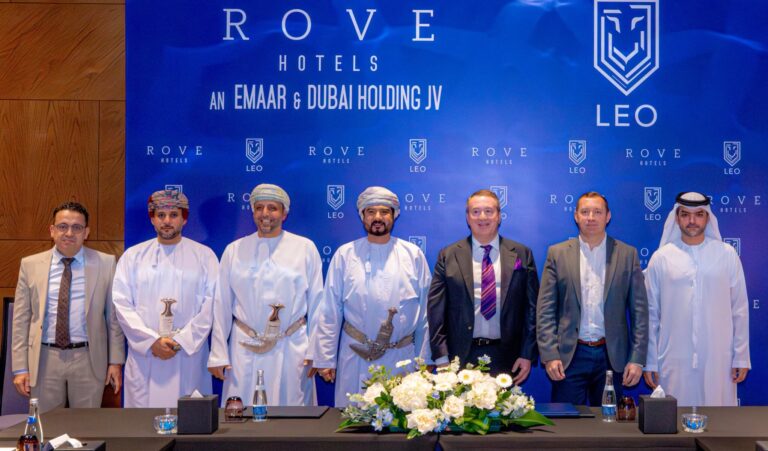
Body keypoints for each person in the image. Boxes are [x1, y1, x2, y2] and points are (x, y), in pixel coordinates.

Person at [311, 186, 432, 407]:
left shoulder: (413, 255)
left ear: (394, 215)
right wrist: (325, 358)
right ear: (362, 216)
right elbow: (330, 310)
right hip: (356, 356)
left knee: (401, 419)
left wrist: (424, 359)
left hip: (401, 358)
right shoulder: (345, 254)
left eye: (384, 212)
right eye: (371, 212)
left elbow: (426, 312)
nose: (378, 217)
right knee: (355, 419)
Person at [208, 184, 323, 406]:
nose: (265, 214)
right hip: (245, 347)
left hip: (292, 347)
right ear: (253, 212)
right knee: (243, 412)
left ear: (284, 213)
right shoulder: (234, 250)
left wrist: (316, 352)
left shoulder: (305, 248)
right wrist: (218, 354)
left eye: (272, 208)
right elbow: (221, 304)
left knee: (293, 411)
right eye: (259, 208)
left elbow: (318, 304)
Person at [11, 202, 124, 412]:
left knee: (86, 427)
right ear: (52, 230)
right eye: (62, 226)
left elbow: (113, 319)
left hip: (88, 359)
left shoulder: (106, 263)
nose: (69, 233)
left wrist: (115, 362)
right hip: (44, 359)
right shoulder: (30, 265)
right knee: (45, 426)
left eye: (77, 227)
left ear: (86, 232)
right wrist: (20, 368)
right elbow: (21, 320)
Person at [537, 191, 648, 405]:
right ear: (576, 216)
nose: (591, 217)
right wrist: (550, 354)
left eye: (597, 212)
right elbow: (545, 310)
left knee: (609, 423)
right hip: (569, 356)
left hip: (611, 357)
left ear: (608, 216)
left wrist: (637, 359)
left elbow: (640, 313)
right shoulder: (557, 253)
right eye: (585, 212)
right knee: (567, 421)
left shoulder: (627, 254)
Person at [112, 189, 218, 407]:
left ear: (184, 219)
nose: (167, 221)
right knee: (144, 421)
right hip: (146, 358)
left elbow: (212, 304)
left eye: (173, 215)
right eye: (161, 215)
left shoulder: (204, 256)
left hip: (187, 356)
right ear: (152, 219)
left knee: (190, 417)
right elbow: (122, 304)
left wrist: (182, 341)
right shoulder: (133, 257)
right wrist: (152, 341)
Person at [643, 192, 750, 406]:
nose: (692, 220)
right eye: (685, 214)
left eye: (699, 214)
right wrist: (650, 361)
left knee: (719, 417)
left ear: (708, 217)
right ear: (677, 218)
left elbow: (739, 309)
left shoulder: (727, 254)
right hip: (673, 357)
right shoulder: (661, 258)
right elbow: (651, 314)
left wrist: (741, 356)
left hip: (719, 357)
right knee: (674, 416)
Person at [428, 189, 539, 380]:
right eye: (476, 211)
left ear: (499, 216)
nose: (482, 217)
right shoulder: (448, 255)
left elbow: (532, 308)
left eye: (489, 211)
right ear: (467, 217)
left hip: (508, 356)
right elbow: (436, 310)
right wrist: (441, 357)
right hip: (459, 356)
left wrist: (527, 353)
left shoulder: (521, 253)